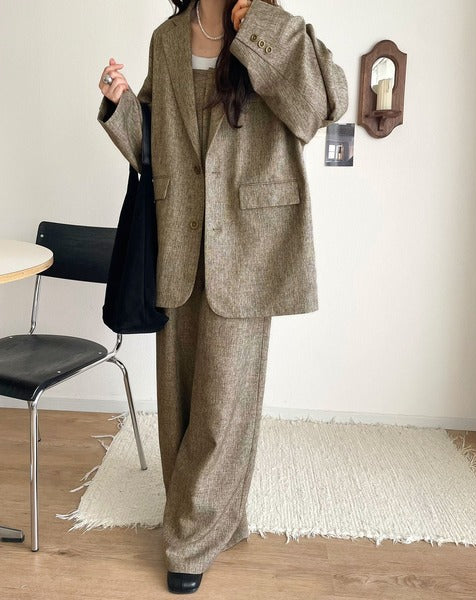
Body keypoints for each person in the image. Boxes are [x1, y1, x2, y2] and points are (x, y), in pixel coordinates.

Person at [97, 0, 348, 594]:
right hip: (178, 237)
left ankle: (190, 539)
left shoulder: (269, 26)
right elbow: (151, 146)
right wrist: (121, 103)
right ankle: (216, 517)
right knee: (179, 402)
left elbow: (322, 104)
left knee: (224, 403)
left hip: (249, 240)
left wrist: (254, 24)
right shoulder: (166, 38)